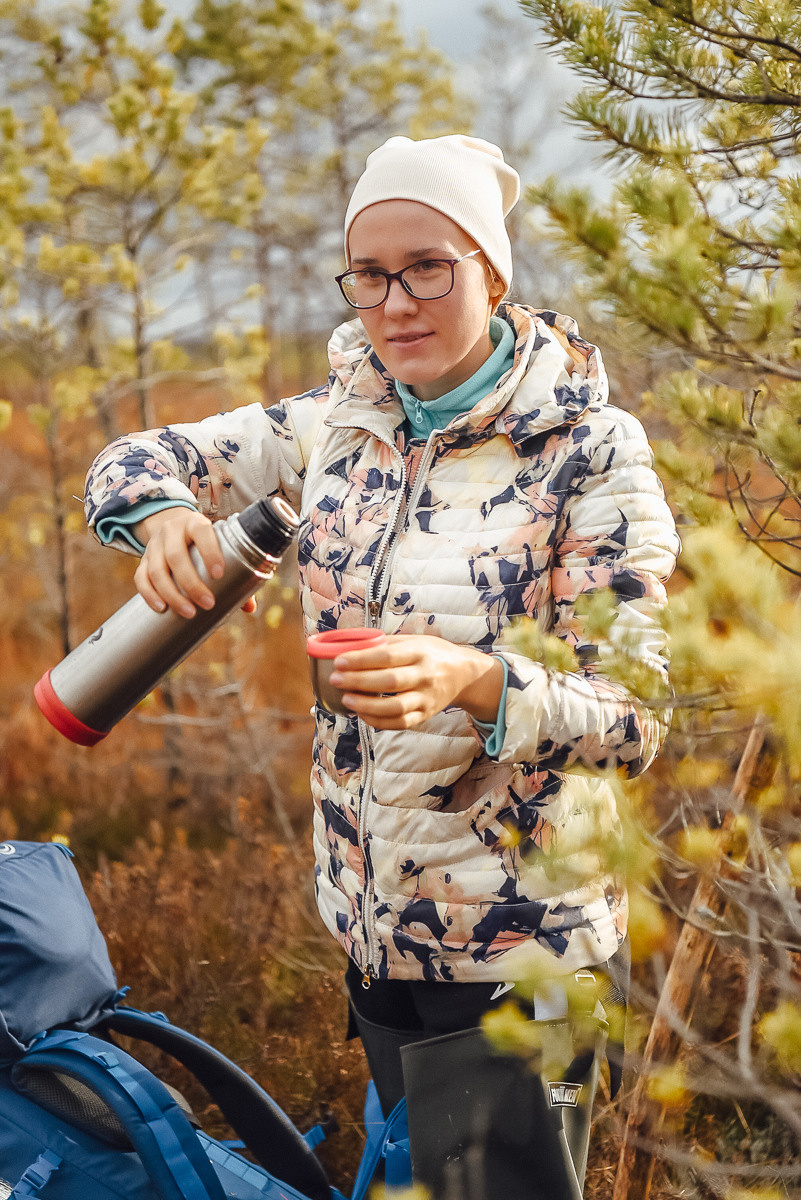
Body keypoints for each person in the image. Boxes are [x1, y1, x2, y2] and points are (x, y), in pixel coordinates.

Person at [84, 134, 680, 1198]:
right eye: (369, 274)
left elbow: (634, 718)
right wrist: (163, 515)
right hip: (373, 930)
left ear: (491, 272)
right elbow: (136, 458)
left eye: (427, 269)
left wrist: (472, 682)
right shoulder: (340, 422)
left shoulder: (589, 451)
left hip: (518, 952)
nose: (395, 304)